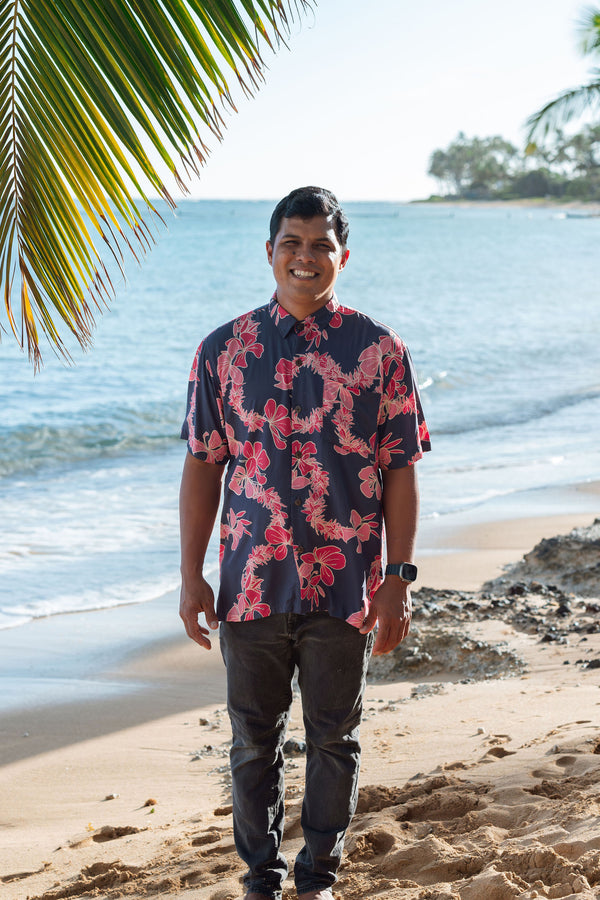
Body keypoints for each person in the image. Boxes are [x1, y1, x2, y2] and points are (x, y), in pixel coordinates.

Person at [179, 186, 431, 900]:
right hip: (250, 585)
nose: (306, 257)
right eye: (292, 242)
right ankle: (262, 877)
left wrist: (398, 580)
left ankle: (317, 878)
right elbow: (202, 467)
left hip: (346, 585)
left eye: (321, 245)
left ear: (342, 257)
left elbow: (400, 472)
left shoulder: (380, 350)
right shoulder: (222, 351)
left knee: (332, 739)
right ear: (269, 253)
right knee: (252, 742)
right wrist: (191, 575)